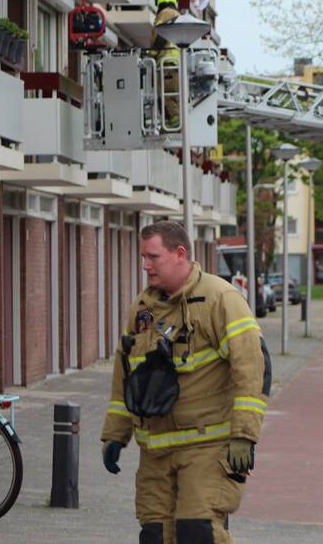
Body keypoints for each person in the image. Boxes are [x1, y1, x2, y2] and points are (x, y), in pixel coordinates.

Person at [100, 221, 271, 544]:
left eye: (153, 257)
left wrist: (244, 435)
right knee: (155, 537)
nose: (145, 265)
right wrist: (115, 435)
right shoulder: (141, 310)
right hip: (156, 452)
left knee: (197, 533)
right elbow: (126, 376)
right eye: (143, 257)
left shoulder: (220, 299)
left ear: (180, 254)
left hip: (206, 447)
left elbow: (252, 367)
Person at [150, 0, 181, 128]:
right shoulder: (176, 14)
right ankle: (171, 123)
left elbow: (162, 35)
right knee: (170, 96)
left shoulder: (166, 13)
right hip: (173, 60)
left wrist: (152, 53)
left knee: (167, 96)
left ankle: (175, 122)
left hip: (167, 60)